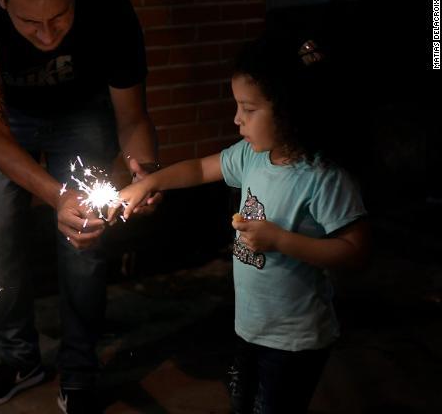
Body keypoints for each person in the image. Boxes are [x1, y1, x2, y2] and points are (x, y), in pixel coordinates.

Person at [114, 35, 370, 413]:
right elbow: (201, 168)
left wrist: (281, 241)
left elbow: (355, 251)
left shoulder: (323, 178)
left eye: (248, 109)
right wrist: (150, 181)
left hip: (295, 341)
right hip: (249, 329)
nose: (237, 119)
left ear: (288, 110)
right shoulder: (251, 156)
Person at [0, 0, 160, 411]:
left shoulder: (110, 8)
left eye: (59, 17)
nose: (47, 36)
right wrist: (58, 195)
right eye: (29, 21)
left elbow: (133, 119)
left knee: (84, 242)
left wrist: (146, 170)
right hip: (8, 123)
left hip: (83, 114)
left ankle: (80, 372)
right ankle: (18, 360)